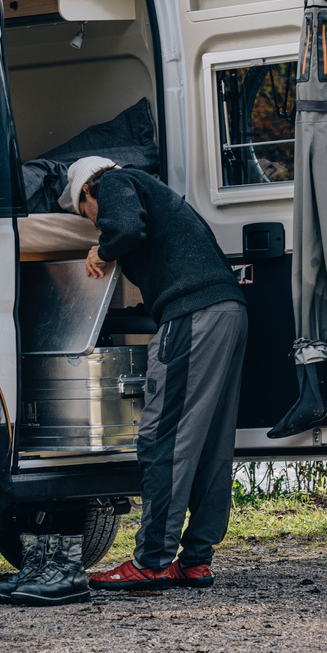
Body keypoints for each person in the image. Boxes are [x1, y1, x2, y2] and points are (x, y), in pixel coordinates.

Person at [78, 156, 249, 591]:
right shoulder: (163, 199)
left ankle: (152, 560)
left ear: (86, 192)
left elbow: (126, 229)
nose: (94, 225)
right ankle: (196, 561)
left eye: (86, 214)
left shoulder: (115, 180)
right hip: (226, 311)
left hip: (193, 315)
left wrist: (103, 249)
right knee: (211, 444)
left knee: (164, 438)